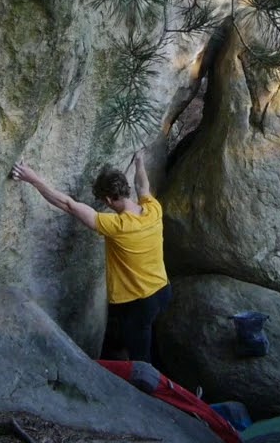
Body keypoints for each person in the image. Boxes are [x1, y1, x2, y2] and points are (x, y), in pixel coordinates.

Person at [10, 151, 172, 364]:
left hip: (139, 303)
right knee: (145, 337)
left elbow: (67, 204)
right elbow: (144, 185)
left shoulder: (117, 226)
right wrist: (140, 162)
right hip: (163, 291)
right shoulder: (153, 209)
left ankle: (150, 394)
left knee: (142, 362)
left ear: (107, 200)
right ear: (127, 189)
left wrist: (32, 178)